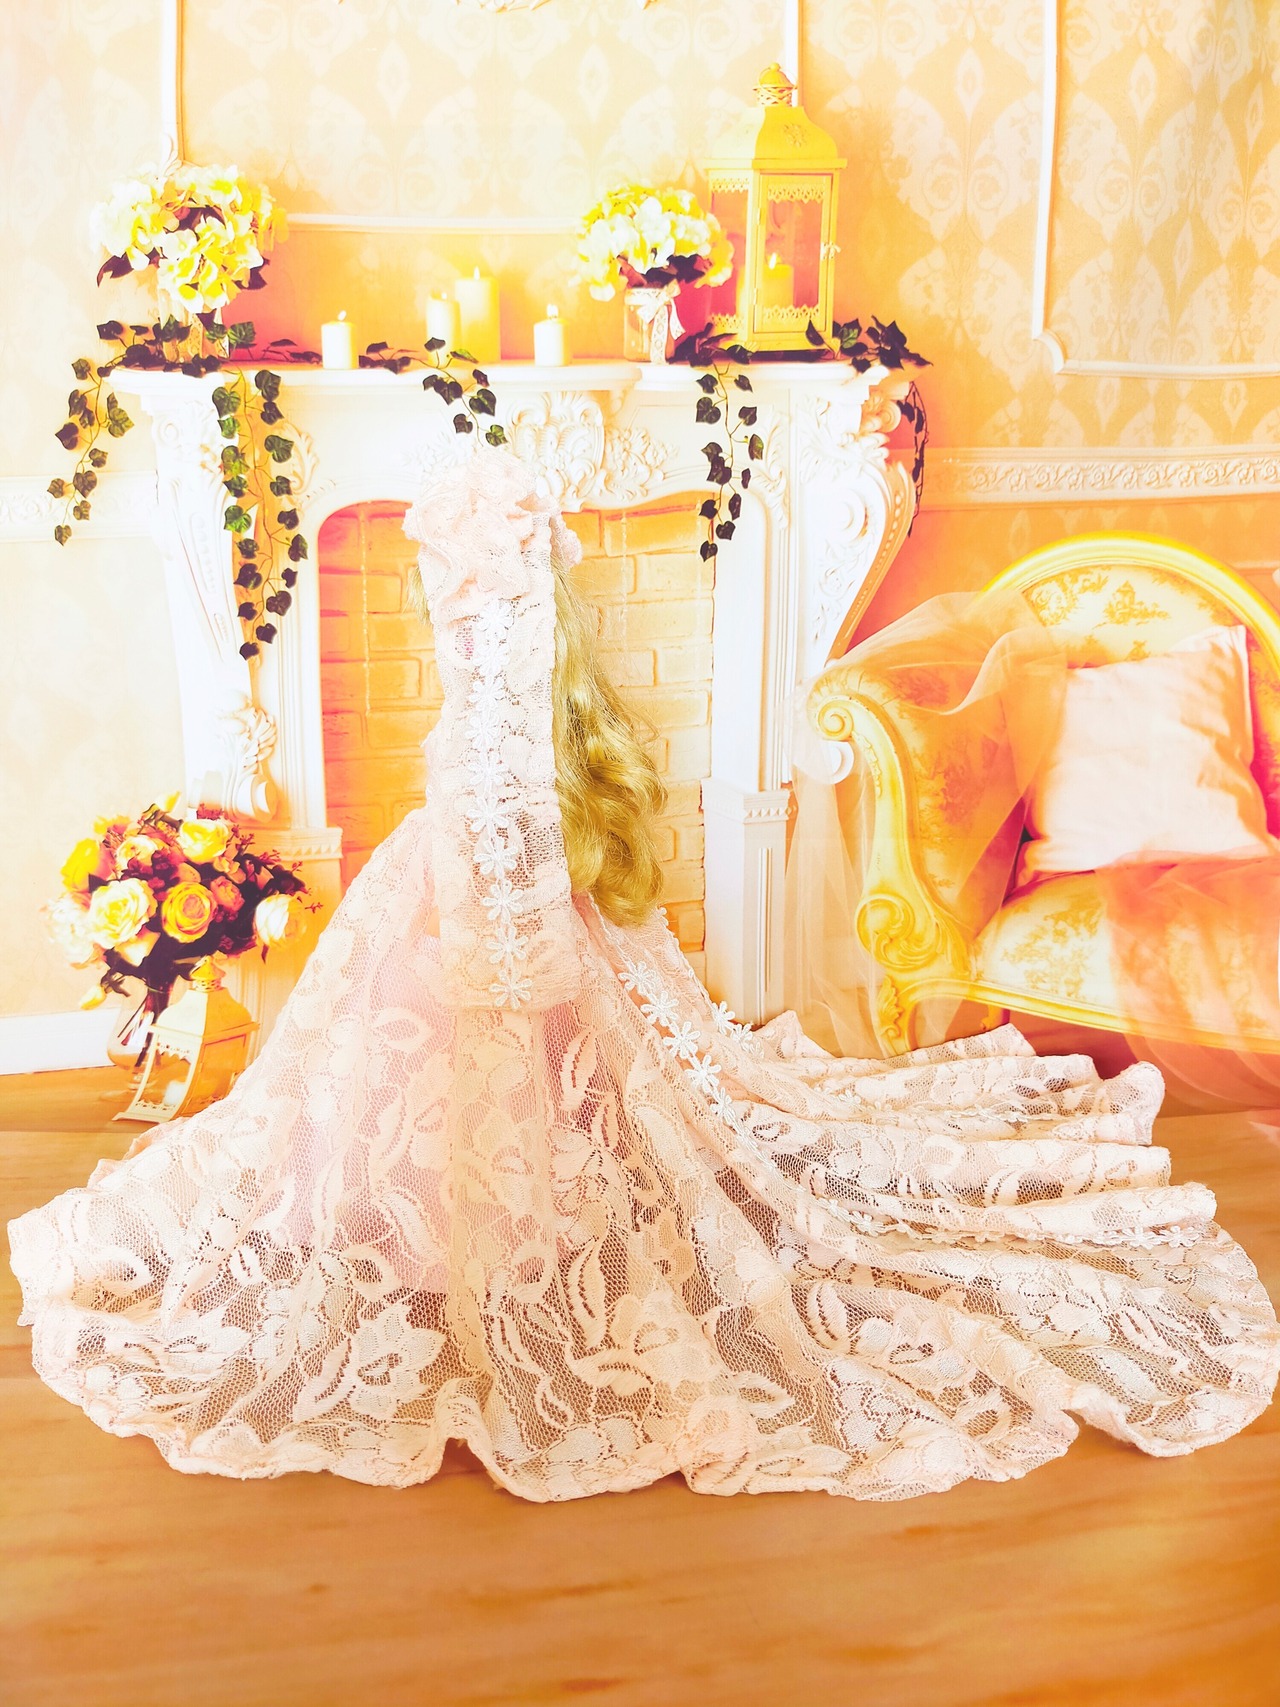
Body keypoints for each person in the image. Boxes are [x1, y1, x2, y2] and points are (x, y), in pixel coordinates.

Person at [10, 451, 1278, 1501]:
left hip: (492, 872)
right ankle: (456, 1218)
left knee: (540, 1102)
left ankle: (497, 1227)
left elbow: (503, 761)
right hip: (461, 863)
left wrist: (511, 940)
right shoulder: (491, 587)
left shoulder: (498, 592)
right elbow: (488, 755)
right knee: (377, 1090)